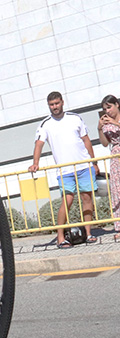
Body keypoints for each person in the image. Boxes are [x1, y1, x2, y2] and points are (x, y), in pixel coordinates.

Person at [29, 91, 99, 248]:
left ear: (62, 102)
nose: (55, 107)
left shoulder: (75, 118)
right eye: (52, 105)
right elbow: (39, 144)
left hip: (84, 166)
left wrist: (94, 162)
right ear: (49, 106)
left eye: (57, 103)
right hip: (64, 171)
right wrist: (35, 162)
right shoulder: (45, 124)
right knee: (67, 201)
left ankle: (88, 233)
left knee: (87, 199)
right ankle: (60, 237)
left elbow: (86, 140)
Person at [98, 94, 120, 242]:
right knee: (117, 192)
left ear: (117, 104)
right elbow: (105, 143)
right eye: (105, 109)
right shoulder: (107, 122)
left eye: (109, 107)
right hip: (116, 155)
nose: (108, 111)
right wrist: (100, 128)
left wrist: (116, 123)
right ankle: (119, 227)